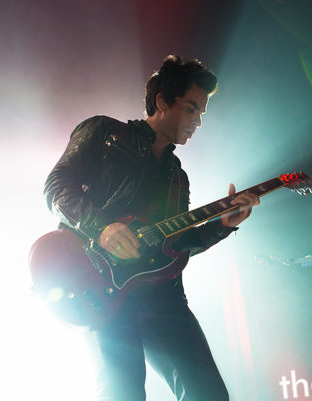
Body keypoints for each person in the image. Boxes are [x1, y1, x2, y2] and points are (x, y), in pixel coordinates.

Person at [43, 55, 260, 401]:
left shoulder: (177, 177)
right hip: (98, 285)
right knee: (123, 394)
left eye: (202, 113)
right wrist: (101, 228)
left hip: (162, 297)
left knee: (209, 395)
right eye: (191, 108)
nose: (198, 121)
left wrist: (222, 225)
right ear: (162, 101)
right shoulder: (105, 132)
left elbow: (177, 244)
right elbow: (57, 186)